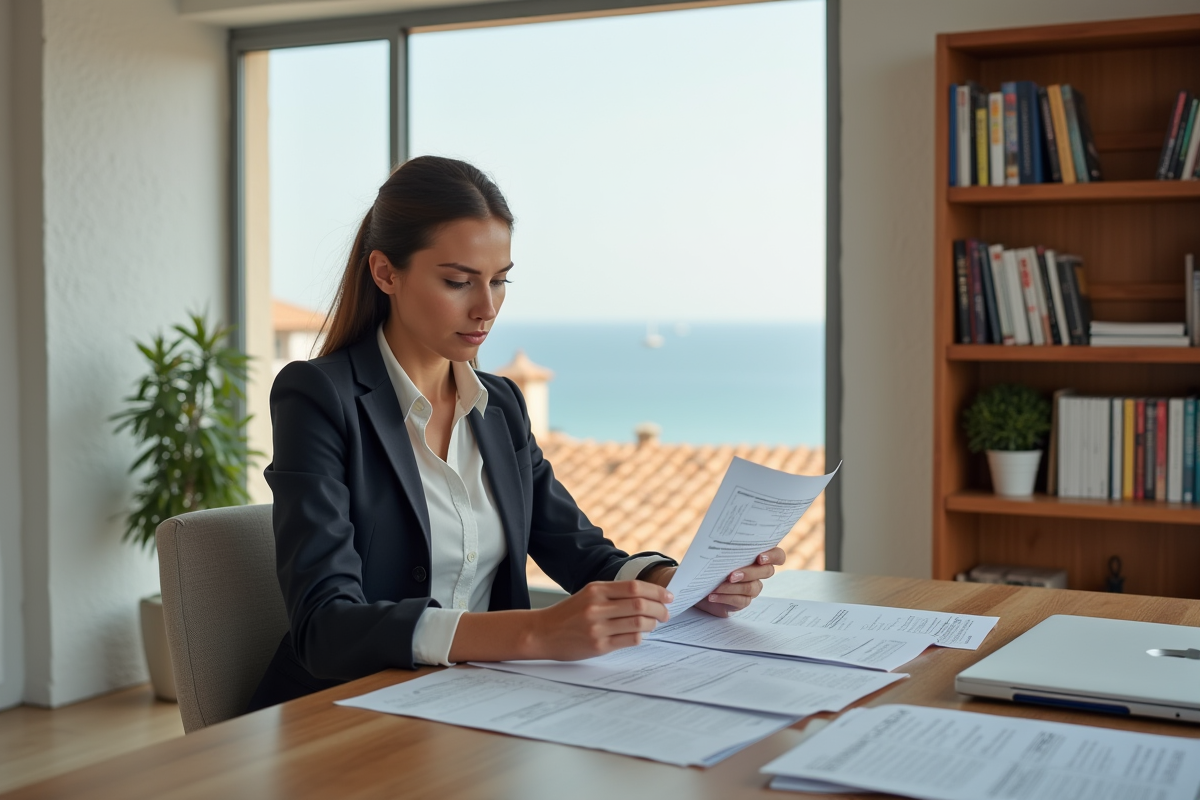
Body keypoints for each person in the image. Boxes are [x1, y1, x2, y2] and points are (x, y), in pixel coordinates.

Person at [247, 156, 785, 711]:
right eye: (458, 282)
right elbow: (324, 627)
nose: (486, 308)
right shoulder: (317, 395)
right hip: (345, 712)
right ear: (385, 273)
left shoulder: (499, 405)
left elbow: (581, 553)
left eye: (500, 281)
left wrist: (682, 584)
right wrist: (534, 633)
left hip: (476, 705)